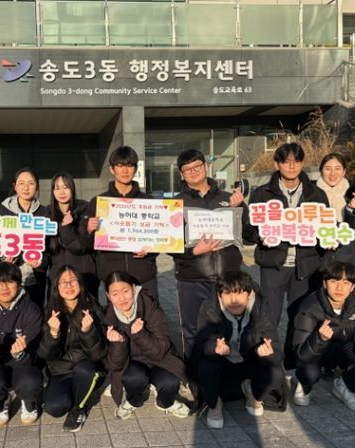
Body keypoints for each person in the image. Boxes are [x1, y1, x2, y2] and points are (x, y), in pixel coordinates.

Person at [246, 143, 329, 366]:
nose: (292, 166)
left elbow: (325, 228)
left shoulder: (316, 194)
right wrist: (260, 236)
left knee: (300, 316)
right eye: (286, 161)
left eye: (297, 161)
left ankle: (293, 363)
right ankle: (268, 360)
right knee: (269, 315)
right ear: (277, 164)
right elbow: (249, 229)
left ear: (302, 164)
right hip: (273, 263)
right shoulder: (262, 193)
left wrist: (328, 240)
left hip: (305, 266)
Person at [172, 149, 251, 362]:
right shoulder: (176, 204)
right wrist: (193, 251)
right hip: (191, 279)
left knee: (229, 329)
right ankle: (193, 373)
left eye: (197, 166)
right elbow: (169, 244)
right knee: (192, 330)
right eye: (187, 169)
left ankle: (228, 373)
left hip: (228, 279)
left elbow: (250, 236)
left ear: (206, 166)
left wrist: (239, 209)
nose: (193, 171)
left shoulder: (228, 199)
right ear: (181, 174)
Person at [291, 261, 355, 412]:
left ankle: (346, 386)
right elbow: (301, 353)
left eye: (346, 283)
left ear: (352, 287)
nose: (339, 288)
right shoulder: (309, 307)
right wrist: (319, 338)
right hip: (318, 351)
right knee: (310, 373)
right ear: (325, 283)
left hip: (344, 347)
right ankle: (304, 384)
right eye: (334, 281)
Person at [194, 271, 284, 429]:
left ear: (250, 294)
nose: (234, 300)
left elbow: (275, 349)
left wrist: (267, 353)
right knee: (206, 366)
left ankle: (253, 393)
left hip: (249, 360)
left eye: (240, 293)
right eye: (227, 293)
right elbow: (202, 344)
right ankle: (214, 403)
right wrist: (215, 349)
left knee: (276, 374)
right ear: (219, 294)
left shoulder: (261, 307)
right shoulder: (210, 307)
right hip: (223, 363)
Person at [103, 271, 190, 420]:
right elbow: (115, 364)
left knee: (169, 382)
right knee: (133, 379)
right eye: (115, 294)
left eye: (125, 291)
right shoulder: (108, 317)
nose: (122, 298)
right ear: (108, 296)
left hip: (160, 359)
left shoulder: (151, 307)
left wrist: (140, 334)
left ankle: (165, 403)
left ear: (133, 288)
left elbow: (159, 352)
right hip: (133, 363)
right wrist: (119, 343)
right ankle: (133, 401)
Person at [80, 146, 159, 299]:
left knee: (151, 313)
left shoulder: (149, 202)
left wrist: (150, 250)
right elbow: (86, 244)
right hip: (113, 278)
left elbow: (161, 238)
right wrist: (89, 230)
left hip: (144, 276)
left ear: (135, 169)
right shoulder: (98, 202)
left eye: (129, 165)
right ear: (112, 169)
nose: (125, 170)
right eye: (120, 165)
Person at [0, 262, 43, 427]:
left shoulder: (31, 309)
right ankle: (0, 402)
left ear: (18, 283)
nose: (4, 287)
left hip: (24, 363)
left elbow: (36, 352)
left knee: (30, 382)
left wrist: (20, 354)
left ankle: (28, 402)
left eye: (10, 281)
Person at [37, 265, 106, 432]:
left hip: (86, 367)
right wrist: (53, 334)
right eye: (63, 282)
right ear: (56, 287)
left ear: (80, 284)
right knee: (54, 408)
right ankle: (75, 392)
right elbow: (45, 355)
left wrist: (88, 332)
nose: (68, 285)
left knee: (85, 372)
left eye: (73, 280)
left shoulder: (93, 308)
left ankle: (79, 409)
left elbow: (98, 355)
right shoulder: (49, 311)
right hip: (60, 371)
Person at [0, 167, 50, 310]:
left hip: (35, 277)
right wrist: (3, 258)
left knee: (35, 313)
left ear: (37, 187)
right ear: (15, 186)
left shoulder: (44, 212)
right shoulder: (3, 211)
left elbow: (49, 247)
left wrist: (41, 262)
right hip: (10, 275)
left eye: (31, 183)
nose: (26, 188)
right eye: (21, 183)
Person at [316, 153, 355, 297]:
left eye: (338, 169)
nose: (333, 173)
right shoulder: (311, 193)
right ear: (321, 170)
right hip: (319, 257)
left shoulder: (354, 194)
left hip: (348, 256)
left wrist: (352, 210)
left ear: (344, 171)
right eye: (328, 168)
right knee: (321, 301)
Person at [47, 172, 99, 299]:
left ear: (72, 188)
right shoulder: (47, 213)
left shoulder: (85, 210)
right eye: (57, 188)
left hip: (84, 273)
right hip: (58, 277)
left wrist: (67, 227)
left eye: (66, 187)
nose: (61, 192)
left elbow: (81, 246)